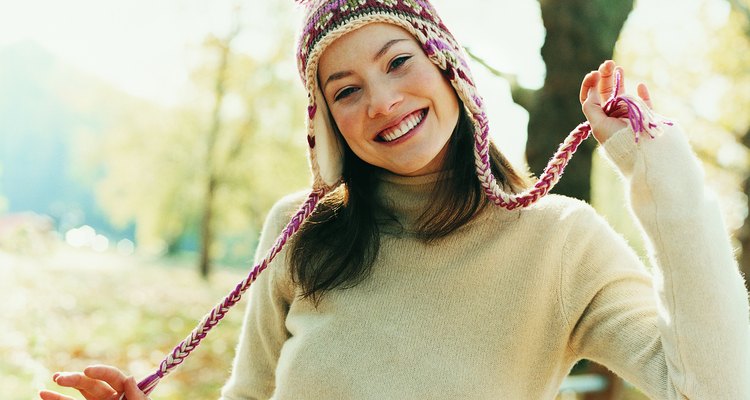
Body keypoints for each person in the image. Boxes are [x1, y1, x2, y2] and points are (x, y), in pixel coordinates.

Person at [40, 1, 750, 399]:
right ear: (326, 123)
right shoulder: (299, 230)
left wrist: (660, 173)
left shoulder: (561, 243)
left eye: (398, 61)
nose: (382, 101)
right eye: (345, 89)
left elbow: (714, 390)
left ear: (448, 69)